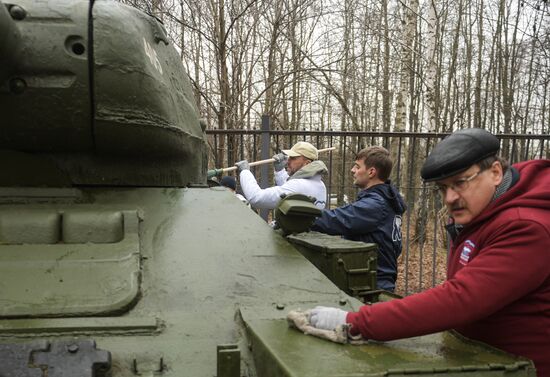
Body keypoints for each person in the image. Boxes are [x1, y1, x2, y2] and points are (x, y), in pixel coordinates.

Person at [306, 128, 550, 376]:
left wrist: (355, 322)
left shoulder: (525, 226)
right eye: (443, 188)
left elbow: (461, 298)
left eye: (460, 183)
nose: (450, 198)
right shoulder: (482, 213)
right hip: (482, 358)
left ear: (496, 172)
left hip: (521, 366)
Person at [311, 146, 406, 292]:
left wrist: (304, 216)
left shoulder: (375, 204)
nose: (352, 170)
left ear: (371, 172)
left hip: (372, 282)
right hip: (374, 277)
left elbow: (337, 220)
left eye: (357, 166)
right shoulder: (386, 200)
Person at [235, 141, 327, 209]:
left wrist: (245, 172)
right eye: (289, 157)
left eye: (293, 158)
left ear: (307, 163)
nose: (288, 161)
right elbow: (289, 191)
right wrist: (280, 171)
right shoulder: (320, 185)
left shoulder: (298, 185)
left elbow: (256, 198)